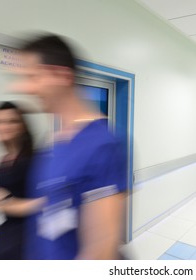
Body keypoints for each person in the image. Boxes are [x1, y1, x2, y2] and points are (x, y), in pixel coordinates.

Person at [13, 34, 126, 260]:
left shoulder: (102, 145)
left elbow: (100, 252)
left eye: (33, 77)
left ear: (61, 75)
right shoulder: (54, 141)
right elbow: (49, 203)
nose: (24, 87)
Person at [0, 101, 35, 259]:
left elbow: (45, 202)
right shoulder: (3, 162)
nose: (4, 126)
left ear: (21, 125)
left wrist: (4, 202)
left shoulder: (33, 160)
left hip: (28, 235)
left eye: (11, 121)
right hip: (8, 231)